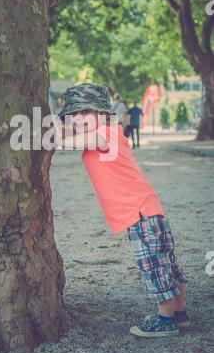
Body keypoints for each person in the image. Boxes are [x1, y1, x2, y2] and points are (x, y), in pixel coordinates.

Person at [50, 83, 189, 338]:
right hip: (145, 210)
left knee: (154, 266)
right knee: (167, 263)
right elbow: (76, 138)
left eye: (86, 113)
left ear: (104, 114)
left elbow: (64, 143)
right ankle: (178, 313)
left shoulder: (108, 133)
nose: (79, 119)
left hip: (139, 213)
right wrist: (68, 125)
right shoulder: (99, 134)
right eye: (74, 115)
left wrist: (56, 127)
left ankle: (165, 320)